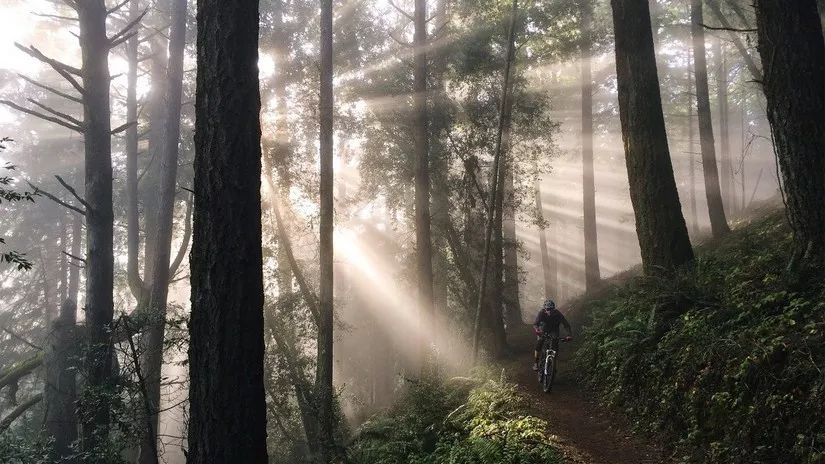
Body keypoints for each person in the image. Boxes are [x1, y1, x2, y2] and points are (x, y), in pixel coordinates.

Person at [533, 299, 573, 371]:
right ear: (545, 309)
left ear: (553, 309)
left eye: (551, 309)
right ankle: (536, 363)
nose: (549, 311)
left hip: (554, 331)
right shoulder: (541, 313)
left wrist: (569, 335)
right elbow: (536, 324)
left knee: (555, 345)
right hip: (543, 330)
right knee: (540, 343)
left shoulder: (557, 314)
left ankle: (553, 364)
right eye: (548, 309)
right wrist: (537, 330)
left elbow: (566, 325)